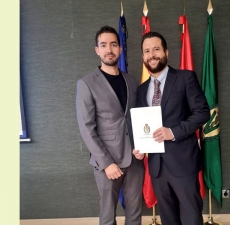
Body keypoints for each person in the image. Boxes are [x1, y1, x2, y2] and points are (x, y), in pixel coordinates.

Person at [132, 31, 210, 225]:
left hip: (183, 163)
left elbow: (202, 113)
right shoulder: (141, 90)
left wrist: (173, 132)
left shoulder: (185, 78)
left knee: (191, 217)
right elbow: (144, 125)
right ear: (143, 57)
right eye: (147, 51)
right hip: (157, 167)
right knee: (168, 218)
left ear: (166, 52)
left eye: (156, 49)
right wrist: (139, 147)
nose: (152, 55)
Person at [76, 25, 144, 225]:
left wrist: (142, 147)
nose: (109, 49)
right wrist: (106, 163)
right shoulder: (86, 83)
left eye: (113, 44)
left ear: (120, 49)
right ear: (97, 50)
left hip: (134, 159)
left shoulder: (131, 81)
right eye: (104, 45)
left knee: (135, 214)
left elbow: (135, 118)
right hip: (106, 162)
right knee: (107, 216)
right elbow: (86, 128)